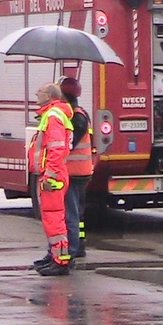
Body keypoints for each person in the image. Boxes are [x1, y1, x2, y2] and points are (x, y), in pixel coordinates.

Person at [28, 82, 74, 276]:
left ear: (49, 96)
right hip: (52, 173)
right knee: (51, 218)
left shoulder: (53, 116)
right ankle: (56, 256)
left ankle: (60, 261)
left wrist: (50, 175)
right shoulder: (52, 114)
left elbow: (56, 148)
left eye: (40, 91)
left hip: (52, 175)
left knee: (54, 219)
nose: (36, 93)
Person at [58, 76, 94, 260]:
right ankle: (78, 246)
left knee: (71, 213)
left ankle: (71, 250)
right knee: (77, 213)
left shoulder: (76, 117)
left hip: (73, 172)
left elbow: (68, 144)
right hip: (81, 171)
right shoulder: (80, 114)